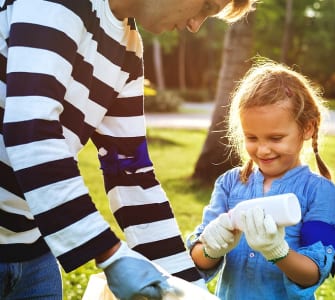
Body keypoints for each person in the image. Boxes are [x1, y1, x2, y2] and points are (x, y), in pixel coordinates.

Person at [0, 0, 256, 299]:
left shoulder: (128, 51)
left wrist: (190, 289)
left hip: (32, 250)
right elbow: (30, 129)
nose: (195, 25)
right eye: (206, 6)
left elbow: (129, 172)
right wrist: (109, 253)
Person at [187, 59, 335, 299]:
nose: (262, 150)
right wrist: (212, 246)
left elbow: (313, 273)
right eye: (252, 137)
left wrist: (277, 251)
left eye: (276, 138)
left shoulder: (320, 192)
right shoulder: (229, 184)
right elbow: (197, 259)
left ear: (308, 128)